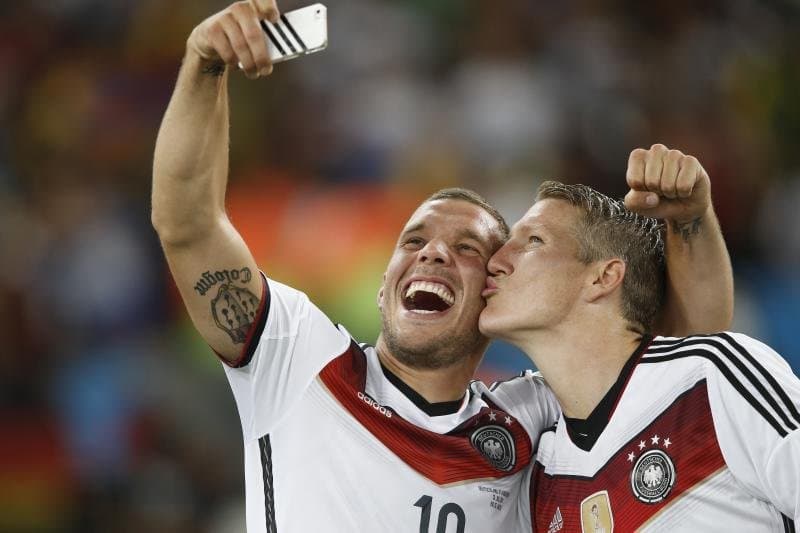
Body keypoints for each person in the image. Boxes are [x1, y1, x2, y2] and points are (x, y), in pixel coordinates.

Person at [151, 1, 734, 531]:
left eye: (468, 250)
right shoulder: (299, 356)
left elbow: (690, 356)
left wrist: (690, 221)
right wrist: (204, 67)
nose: (433, 252)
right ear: (384, 287)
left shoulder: (531, 418)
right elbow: (187, 224)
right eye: (414, 241)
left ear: (494, 295)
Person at [480, 172, 800, 530]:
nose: (495, 260)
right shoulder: (542, 471)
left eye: (533, 241)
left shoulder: (710, 377)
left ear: (603, 277)